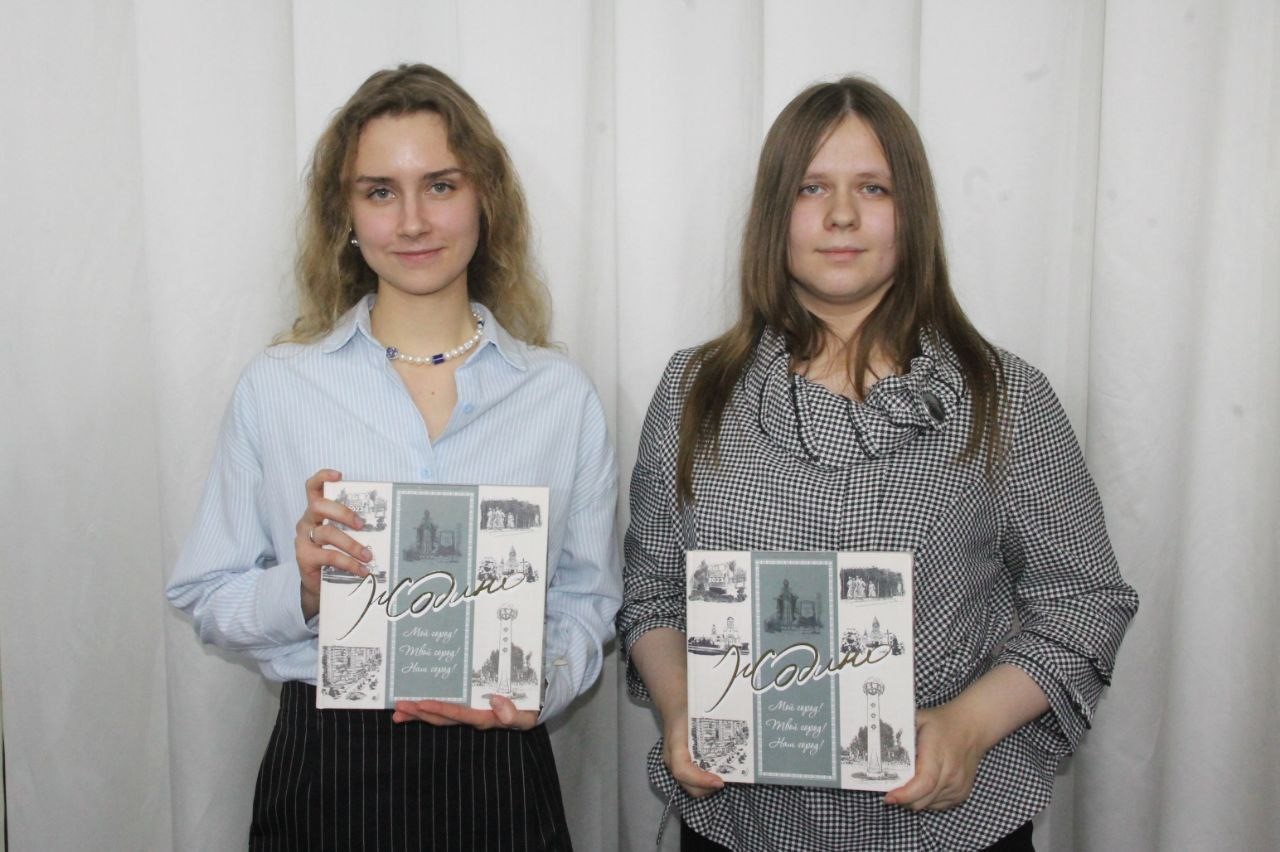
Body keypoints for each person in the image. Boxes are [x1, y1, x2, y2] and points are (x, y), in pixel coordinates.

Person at [617, 77, 1138, 851]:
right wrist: (680, 705)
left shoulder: (1004, 397)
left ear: (912, 213)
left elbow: (1084, 601)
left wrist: (968, 725)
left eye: (873, 188)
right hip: (739, 825)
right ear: (774, 214)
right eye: (811, 188)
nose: (841, 215)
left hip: (949, 829)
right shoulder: (696, 390)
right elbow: (654, 590)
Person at [167, 64, 620, 851]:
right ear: (344, 213)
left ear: (485, 199)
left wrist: (537, 685)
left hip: (499, 769)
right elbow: (206, 592)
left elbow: (588, 598)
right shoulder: (278, 387)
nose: (412, 221)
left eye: (440, 185)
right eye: (380, 191)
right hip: (325, 772)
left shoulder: (559, 396)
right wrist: (303, 588)